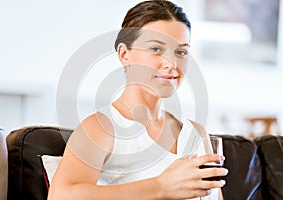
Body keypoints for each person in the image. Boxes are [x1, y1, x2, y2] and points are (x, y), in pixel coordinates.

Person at [48, 0, 229, 199]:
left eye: (181, 52)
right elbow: (61, 195)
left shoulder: (196, 134)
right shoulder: (100, 128)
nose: (171, 63)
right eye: (156, 49)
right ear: (124, 54)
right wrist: (160, 186)